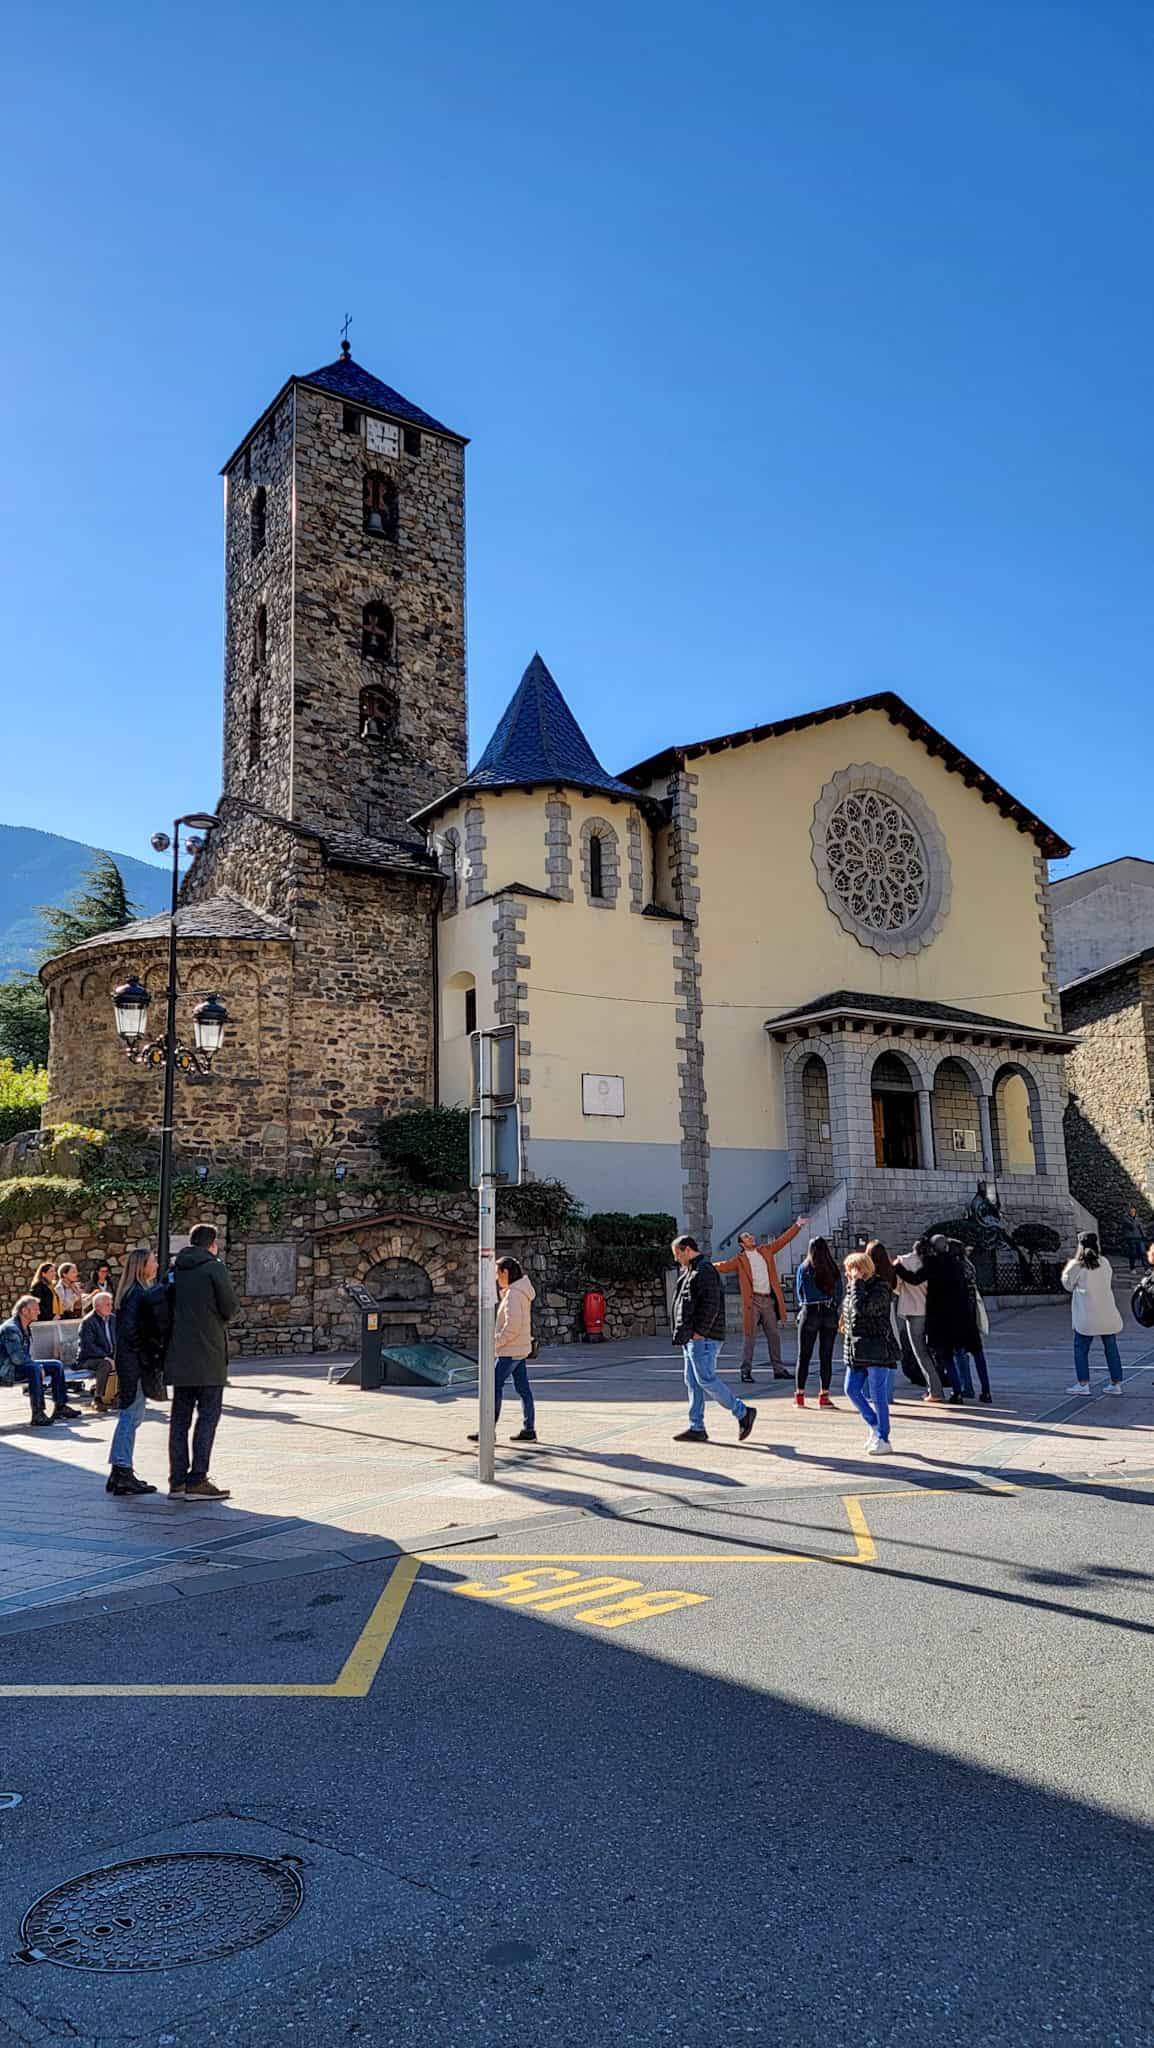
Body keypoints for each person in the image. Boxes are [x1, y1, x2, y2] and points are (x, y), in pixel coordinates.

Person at [166, 1223, 239, 1499]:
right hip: (208, 1356)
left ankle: (177, 1480)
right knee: (208, 1417)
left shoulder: (176, 1269)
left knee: (179, 1419)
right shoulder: (214, 1267)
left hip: (180, 1354)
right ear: (212, 1244)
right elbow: (230, 1307)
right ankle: (197, 1478)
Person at [670, 1233, 757, 1444]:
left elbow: (711, 1305)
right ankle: (696, 1426)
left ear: (687, 1250)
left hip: (703, 1338)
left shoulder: (704, 1270)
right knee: (693, 1381)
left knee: (705, 1379)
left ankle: (743, 1412)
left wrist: (700, 1332)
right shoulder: (692, 1270)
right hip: (692, 1337)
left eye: (677, 1254)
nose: (676, 1259)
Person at [715, 1216, 808, 1383]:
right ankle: (746, 1371)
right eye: (746, 1237)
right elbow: (723, 1266)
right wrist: (703, 1265)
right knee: (749, 1337)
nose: (750, 1237)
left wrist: (797, 1226)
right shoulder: (740, 1259)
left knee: (774, 1335)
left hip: (768, 1300)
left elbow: (783, 1240)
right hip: (753, 1302)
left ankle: (778, 1370)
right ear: (742, 1244)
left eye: (750, 1235)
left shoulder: (765, 1250)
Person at [468, 1256, 538, 1446]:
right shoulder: (519, 1291)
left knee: (492, 1386)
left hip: (510, 1350)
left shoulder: (515, 1294)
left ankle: (488, 1430)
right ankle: (529, 1429)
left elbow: (512, 1327)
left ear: (506, 1273)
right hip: (520, 1348)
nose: (496, 1278)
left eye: (497, 1274)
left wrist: (495, 1343)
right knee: (523, 1389)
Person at [110, 1248, 161, 1496]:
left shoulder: (133, 1294)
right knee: (131, 1415)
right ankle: (122, 1470)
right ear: (142, 1266)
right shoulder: (137, 1295)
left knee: (132, 1414)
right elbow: (131, 1331)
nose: (157, 1264)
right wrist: (147, 1349)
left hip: (130, 1361)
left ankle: (119, 1470)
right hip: (133, 1362)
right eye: (153, 1261)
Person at [841, 1250, 899, 1454]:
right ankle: (874, 1424)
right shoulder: (853, 1288)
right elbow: (850, 1315)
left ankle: (883, 1437)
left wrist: (857, 1285)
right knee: (851, 1389)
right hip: (856, 1350)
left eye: (850, 1270)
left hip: (876, 1349)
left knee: (878, 1394)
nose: (847, 1275)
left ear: (860, 1270)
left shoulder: (880, 1288)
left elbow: (864, 1309)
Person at [0, 1294, 82, 1427]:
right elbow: (17, 1358)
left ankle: (60, 1406)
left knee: (56, 1365)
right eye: (35, 1309)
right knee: (34, 1369)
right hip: (5, 1371)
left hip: (17, 1366)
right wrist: (37, 1367)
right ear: (24, 1311)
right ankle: (38, 1414)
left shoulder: (25, 1326)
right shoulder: (11, 1329)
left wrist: (37, 1366)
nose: (39, 1311)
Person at [1062, 1231, 1124, 1395]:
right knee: (1111, 1348)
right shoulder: (1104, 1262)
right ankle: (1116, 1383)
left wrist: (1069, 1267)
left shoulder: (1077, 1265)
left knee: (1080, 1348)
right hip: (1106, 1312)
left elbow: (1067, 1284)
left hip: (1087, 1315)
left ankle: (1083, 1384)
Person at [892, 1241, 946, 1401]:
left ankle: (935, 1390)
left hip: (913, 1310)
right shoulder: (933, 1263)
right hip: (931, 1310)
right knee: (933, 1351)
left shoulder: (902, 1261)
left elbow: (897, 1287)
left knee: (920, 1352)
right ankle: (938, 1386)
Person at [793, 1236, 842, 1407]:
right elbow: (839, 1293)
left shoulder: (804, 1268)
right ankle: (824, 1396)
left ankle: (799, 1395)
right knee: (826, 1356)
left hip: (810, 1311)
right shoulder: (832, 1268)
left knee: (804, 1355)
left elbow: (799, 1291)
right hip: (828, 1311)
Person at [922, 1235, 971, 1404]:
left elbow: (916, 1279)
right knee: (959, 1353)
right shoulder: (957, 1265)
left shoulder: (932, 1264)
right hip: (958, 1315)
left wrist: (898, 1269)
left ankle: (956, 1390)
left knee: (946, 1357)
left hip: (940, 1317)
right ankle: (965, 1388)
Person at [951, 1240, 993, 1403]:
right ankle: (986, 1389)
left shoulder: (955, 1268)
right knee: (978, 1354)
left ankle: (966, 1387)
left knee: (960, 1354)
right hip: (971, 1315)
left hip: (958, 1317)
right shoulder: (968, 1265)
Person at [77, 1289, 117, 1410]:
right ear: (98, 1306)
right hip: (89, 1358)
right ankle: (98, 1398)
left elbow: (119, 1339)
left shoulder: (113, 1319)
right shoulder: (88, 1322)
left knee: (126, 1360)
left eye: (111, 1304)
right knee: (104, 1365)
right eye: (107, 1304)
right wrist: (106, 1357)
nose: (111, 1307)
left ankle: (118, 1395)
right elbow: (88, 1345)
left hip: (109, 1356)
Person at [1122, 1208, 1148, 1274]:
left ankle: (1147, 1269)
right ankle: (1132, 1268)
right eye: (1131, 1211)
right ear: (1129, 1212)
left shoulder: (1137, 1218)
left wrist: (1144, 1235)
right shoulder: (1126, 1218)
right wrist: (1136, 1220)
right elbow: (1132, 1225)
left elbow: (1141, 1227)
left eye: (1134, 1211)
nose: (1133, 1212)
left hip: (1139, 1238)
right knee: (1133, 1253)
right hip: (1131, 1238)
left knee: (1143, 1252)